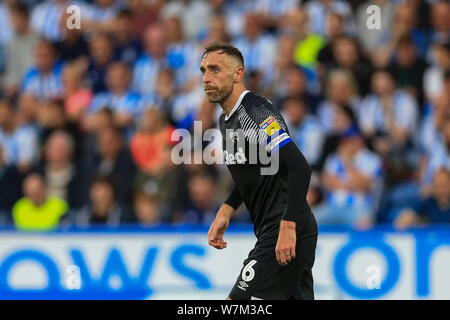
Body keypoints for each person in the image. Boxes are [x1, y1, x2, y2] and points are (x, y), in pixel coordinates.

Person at [201, 42, 318, 300]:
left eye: (214, 69)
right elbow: (252, 174)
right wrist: (227, 209)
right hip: (274, 229)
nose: (206, 78)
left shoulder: (256, 111)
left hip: (283, 228)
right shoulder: (225, 120)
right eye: (203, 71)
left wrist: (288, 226)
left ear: (238, 74)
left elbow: (298, 166)